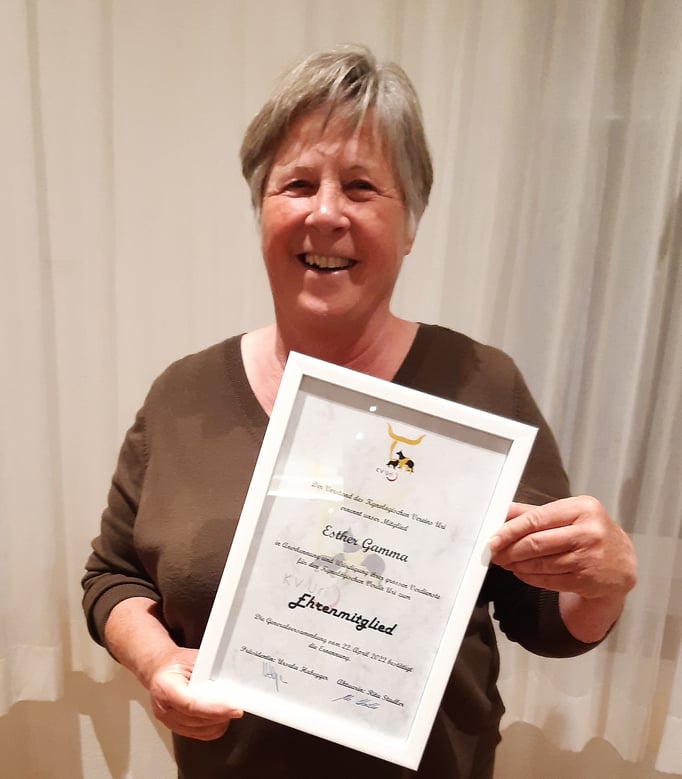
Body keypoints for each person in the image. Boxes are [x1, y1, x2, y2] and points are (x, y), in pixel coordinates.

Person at [82, 44, 637, 779]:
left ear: (410, 227)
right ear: (261, 211)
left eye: (362, 186)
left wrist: (603, 582)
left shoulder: (480, 385)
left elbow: (542, 618)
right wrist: (156, 661)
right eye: (297, 184)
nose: (325, 213)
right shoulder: (182, 396)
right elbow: (112, 577)